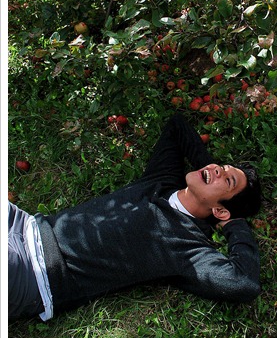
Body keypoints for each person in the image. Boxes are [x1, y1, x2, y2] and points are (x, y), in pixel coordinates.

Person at [9, 113, 262, 322]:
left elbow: (243, 283)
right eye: (222, 167)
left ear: (220, 211)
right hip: (24, 225)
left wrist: (234, 224)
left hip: (35, 273)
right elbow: (177, 126)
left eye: (227, 180)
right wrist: (209, 173)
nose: (218, 169)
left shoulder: (188, 247)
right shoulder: (161, 181)